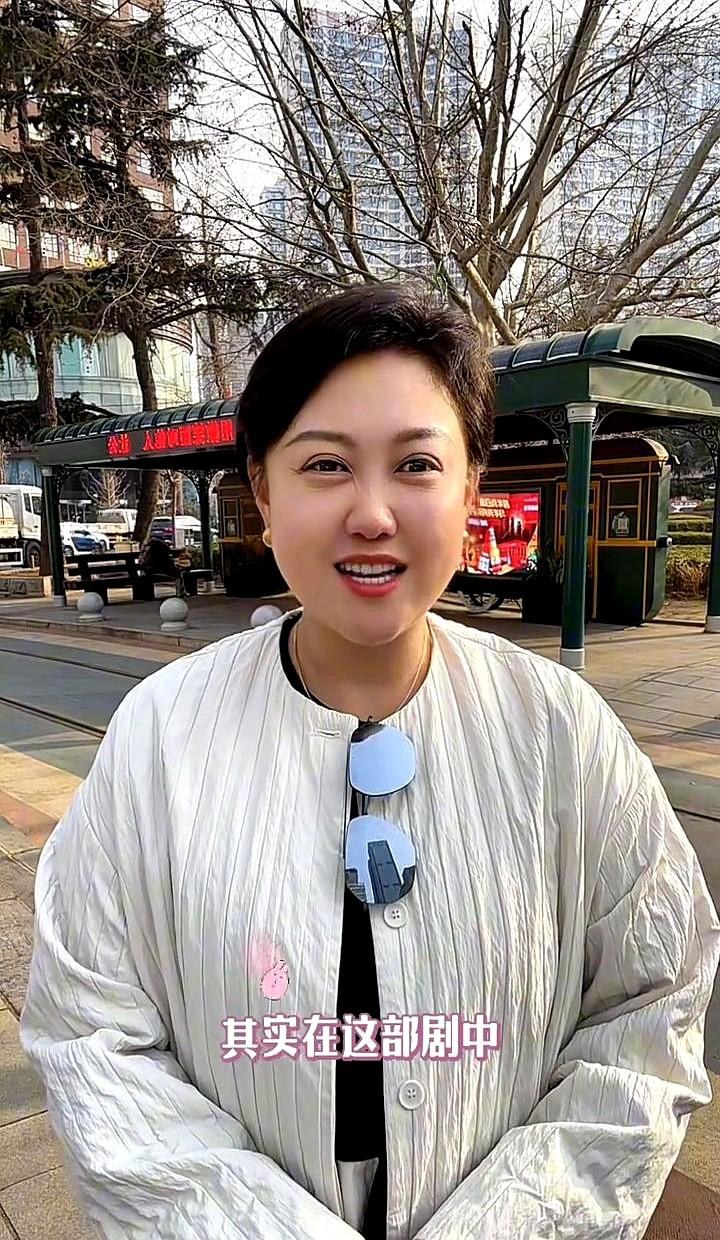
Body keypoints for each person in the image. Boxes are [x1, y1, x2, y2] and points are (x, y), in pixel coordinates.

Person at [21, 283, 720, 1240]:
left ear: (470, 491)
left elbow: (651, 1006)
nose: (373, 514)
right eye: (325, 465)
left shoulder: (562, 730)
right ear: (264, 491)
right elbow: (92, 1034)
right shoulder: (159, 735)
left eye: (417, 464)